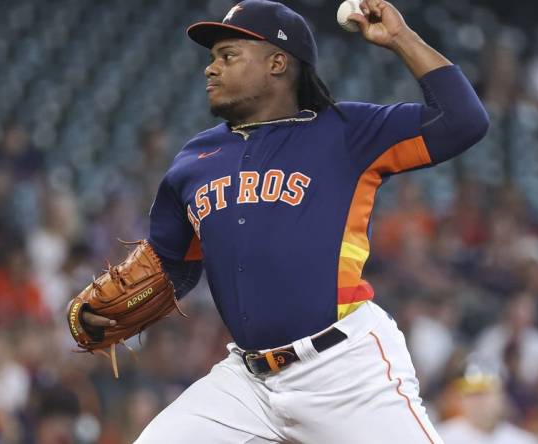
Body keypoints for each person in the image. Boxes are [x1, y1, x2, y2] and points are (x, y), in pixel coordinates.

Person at [79, 0, 488, 442]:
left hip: (344, 371)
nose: (210, 69)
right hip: (247, 383)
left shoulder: (346, 131)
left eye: (228, 56)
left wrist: (400, 38)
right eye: (212, 58)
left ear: (277, 62)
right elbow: (172, 263)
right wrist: (109, 311)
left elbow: (463, 120)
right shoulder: (193, 159)